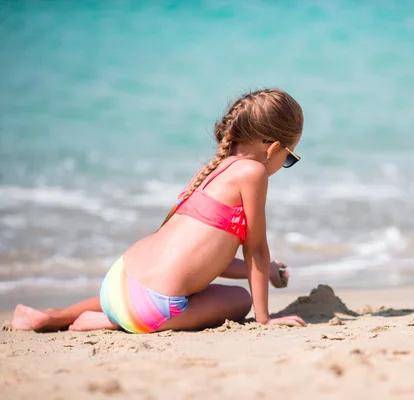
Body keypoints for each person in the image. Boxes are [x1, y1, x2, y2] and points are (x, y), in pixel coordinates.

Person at [11, 88, 307, 333]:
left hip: (118, 279)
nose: (284, 165)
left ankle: (52, 316)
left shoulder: (209, 172)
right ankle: (103, 322)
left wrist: (266, 272)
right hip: (148, 306)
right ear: (273, 148)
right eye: (289, 158)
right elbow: (255, 249)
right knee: (240, 300)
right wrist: (265, 319)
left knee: (158, 290)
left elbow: (205, 261)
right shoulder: (252, 172)